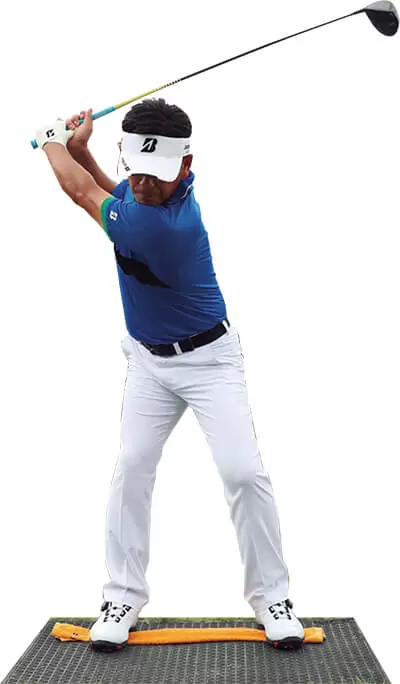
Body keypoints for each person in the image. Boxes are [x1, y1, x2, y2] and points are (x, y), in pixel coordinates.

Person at [35, 98, 305, 653]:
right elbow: (116, 194)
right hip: (148, 362)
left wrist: (51, 141)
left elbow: (82, 193)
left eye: (156, 175)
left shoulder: (168, 227)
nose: (143, 184)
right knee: (131, 468)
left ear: (186, 166)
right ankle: (122, 596)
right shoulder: (150, 197)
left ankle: (272, 598)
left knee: (242, 472)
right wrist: (82, 150)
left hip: (210, 362)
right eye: (136, 170)